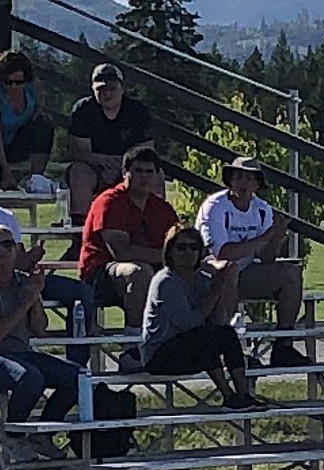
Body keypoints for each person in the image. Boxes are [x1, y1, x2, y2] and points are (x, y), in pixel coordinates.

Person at [0, 157, 93, 366]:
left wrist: (36, 253)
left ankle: (79, 363)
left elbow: (20, 257)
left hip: (19, 277)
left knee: (80, 292)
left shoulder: (6, 216)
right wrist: (15, 260)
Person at [0, 223, 78, 460]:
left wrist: (34, 298)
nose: (2, 250)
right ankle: (12, 435)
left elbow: (40, 330)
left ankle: (43, 434)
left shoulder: (25, 282)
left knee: (76, 376)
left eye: (8, 244)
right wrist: (24, 303)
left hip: (21, 352)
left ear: (17, 251)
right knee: (31, 378)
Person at [196, 156, 305, 369]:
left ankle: (283, 344)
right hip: (209, 274)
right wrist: (264, 238)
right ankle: (229, 346)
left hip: (244, 272)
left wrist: (277, 236)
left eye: (249, 178)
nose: (243, 183)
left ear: (257, 184)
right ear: (230, 181)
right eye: (238, 177)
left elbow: (266, 258)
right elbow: (222, 252)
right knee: (229, 268)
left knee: (291, 273)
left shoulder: (262, 209)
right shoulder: (215, 206)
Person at [141, 225, 261, 408]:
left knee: (226, 333)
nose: (188, 252)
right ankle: (228, 396)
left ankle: (243, 394)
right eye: (181, 247)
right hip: (161, 354)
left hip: (192, 349)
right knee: (203, 336)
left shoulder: (201, 279)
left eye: (193, 247)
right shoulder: (166, 282)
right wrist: (213, 294)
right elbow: (189, 324)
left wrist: (222, 286)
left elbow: (218, 321)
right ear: (170, 251)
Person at [79, 144, 176, 360]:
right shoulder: (109, 202)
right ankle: (133, 348)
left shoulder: (162, 208)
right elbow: (121, 252)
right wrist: (167, 256)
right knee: (139, 272)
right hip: (100, 273)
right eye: (138, 171)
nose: (144, 177)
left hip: (152, 270)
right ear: (125, 173)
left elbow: (178, 245)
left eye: (149, 171)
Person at [67, 63, 154, 239]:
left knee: (154, 175)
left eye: (112, 89)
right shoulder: (84, 110)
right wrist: (101, 161)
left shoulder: (137, 111)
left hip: (130, 169)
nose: (107, 94)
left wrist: (124, 164)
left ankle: (153, 228)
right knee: (79, 173)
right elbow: (79, 151)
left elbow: (147, 150)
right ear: (93, 89)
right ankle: (79, 235)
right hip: (95, 168)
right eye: (101, 89)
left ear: (122, 89)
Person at [0, 51, 52, 192]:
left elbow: (37, 112)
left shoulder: (31, 88)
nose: (14, 87)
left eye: (19, 82)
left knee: (44, 124)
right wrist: (6, 173)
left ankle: (36, 179)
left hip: (14, 142)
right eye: (8, 82)